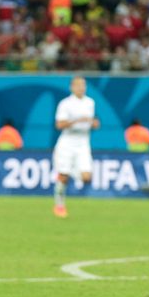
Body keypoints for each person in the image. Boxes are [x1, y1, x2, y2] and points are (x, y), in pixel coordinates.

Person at [52, 76, 99, 218]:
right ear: (72, 87)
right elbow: (59, 125)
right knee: (63, 176)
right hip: (67, 142)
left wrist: (94, 124)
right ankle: (59, 205)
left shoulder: (90, 102)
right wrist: (77, 121)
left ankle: (71, 171)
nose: (81, 88)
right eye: (78, 86)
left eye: (83, 85)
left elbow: (91, 123)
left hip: (83, 142)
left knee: (86, 177)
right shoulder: (65, 104)